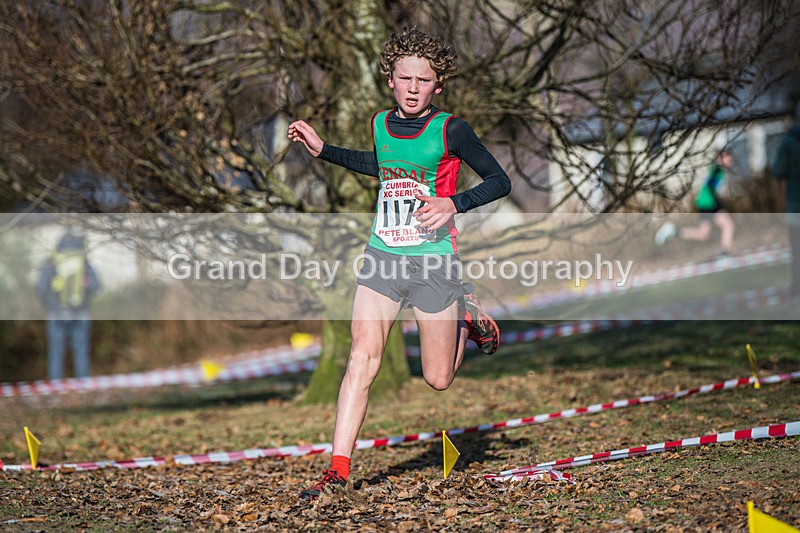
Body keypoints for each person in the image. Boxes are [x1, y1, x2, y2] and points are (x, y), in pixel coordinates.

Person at [288, 27, 511, 501]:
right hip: (383, 255)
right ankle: (337, 472)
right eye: (404, 77)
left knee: (438, 379)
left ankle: (465, 316)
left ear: (438, 85)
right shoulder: (379, 123)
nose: (413, 88)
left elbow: (500, 180)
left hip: (434, 261)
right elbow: (382, 164)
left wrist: (454, 203)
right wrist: (323, 150)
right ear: (390, 79)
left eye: (423, 80)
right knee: (361, 358)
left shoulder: (452, 129)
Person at [36, 229, 100, 380]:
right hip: (81, 312)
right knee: (81, 351)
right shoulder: (83, 262)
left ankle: (55, 389)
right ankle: (83, 388)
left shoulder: (52, 262)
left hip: (56, 313)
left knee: (56, 352)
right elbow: (97, 286)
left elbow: (40, 288)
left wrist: (51, 306)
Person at [655, 150, 736, 258]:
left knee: (703, 234)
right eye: (728, 158)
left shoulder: (718, 170)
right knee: (728, 225)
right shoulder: (717, 169)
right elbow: (711, 186)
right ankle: (725, 253)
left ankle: (673, 231)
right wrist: (719, 199)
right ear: (721, 158)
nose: (731, 161)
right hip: (709, 203)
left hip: (707, 203)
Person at [772, 101, 800, 297]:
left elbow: (778, 171)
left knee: (797, 250)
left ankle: (797, 287)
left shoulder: (789, 141)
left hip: (795, 204)